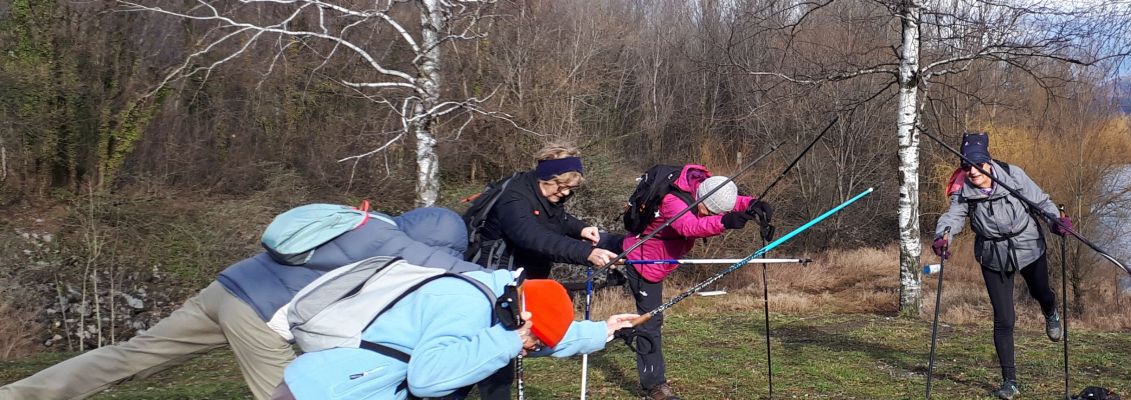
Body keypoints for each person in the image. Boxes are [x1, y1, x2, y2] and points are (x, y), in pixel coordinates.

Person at [0, 207, 487, 400]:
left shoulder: (361, 221)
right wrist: (516, 289)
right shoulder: (393, 245)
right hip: (258, 317)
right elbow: (457, 273)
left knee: (130, 353)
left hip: (225, 288)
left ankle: (20, 396)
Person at [277, 268, 649, 399]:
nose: (530, 350)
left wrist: (604, 330)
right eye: (531, 341)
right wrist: (508, 342)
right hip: (332, 389)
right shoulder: (465, 302)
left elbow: (540, 334)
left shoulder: (501, 299)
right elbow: (426, 379)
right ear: (524, 317)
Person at [930, 131, 1075, 399]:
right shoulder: (964, 189)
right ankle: (1010, 381)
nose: (973, 172)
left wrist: (1057, 221)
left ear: (988, 162)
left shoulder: (1013, 175)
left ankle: (1051, 312)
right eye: (966, 167)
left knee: (1041, 292)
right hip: (992, 254)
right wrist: (943, 236)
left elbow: (1040, 202)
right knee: (1004, 318)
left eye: (977, 165)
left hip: (1028, 244)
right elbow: (954, 215)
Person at [619, 166, 772, 400]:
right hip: (644, 260)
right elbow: (690, 227)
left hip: (662, 260)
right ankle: (654, 386)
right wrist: (725, 222)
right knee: (650, 321)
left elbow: (723, 199)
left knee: (652, 318)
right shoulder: (673, 201)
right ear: (699, 197)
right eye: (707, 211)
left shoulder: (703, 185)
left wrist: (751, 204)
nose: (708, 215)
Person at [472, 145, 623, 279]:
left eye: (570, 188)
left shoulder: (545, 195)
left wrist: (581, 229)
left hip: (528, 274)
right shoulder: (513, 197)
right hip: (497, 276)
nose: (565, 193)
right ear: (547, 178)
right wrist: (587, 253)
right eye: (562, 186)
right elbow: (532, 236)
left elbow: (556, 217)